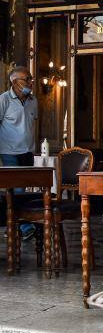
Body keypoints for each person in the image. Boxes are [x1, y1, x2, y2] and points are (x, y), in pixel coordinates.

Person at [0, 66, 38, 240]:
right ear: (15, 82)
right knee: (18, 190)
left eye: (31, 79)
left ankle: (17, 224)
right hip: (9, 152)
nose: (31, 82)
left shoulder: (33, 100)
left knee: (24, 190)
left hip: (28, 152)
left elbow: (33, 126)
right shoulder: (4, 100)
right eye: (27, 79)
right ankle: (24, 226)